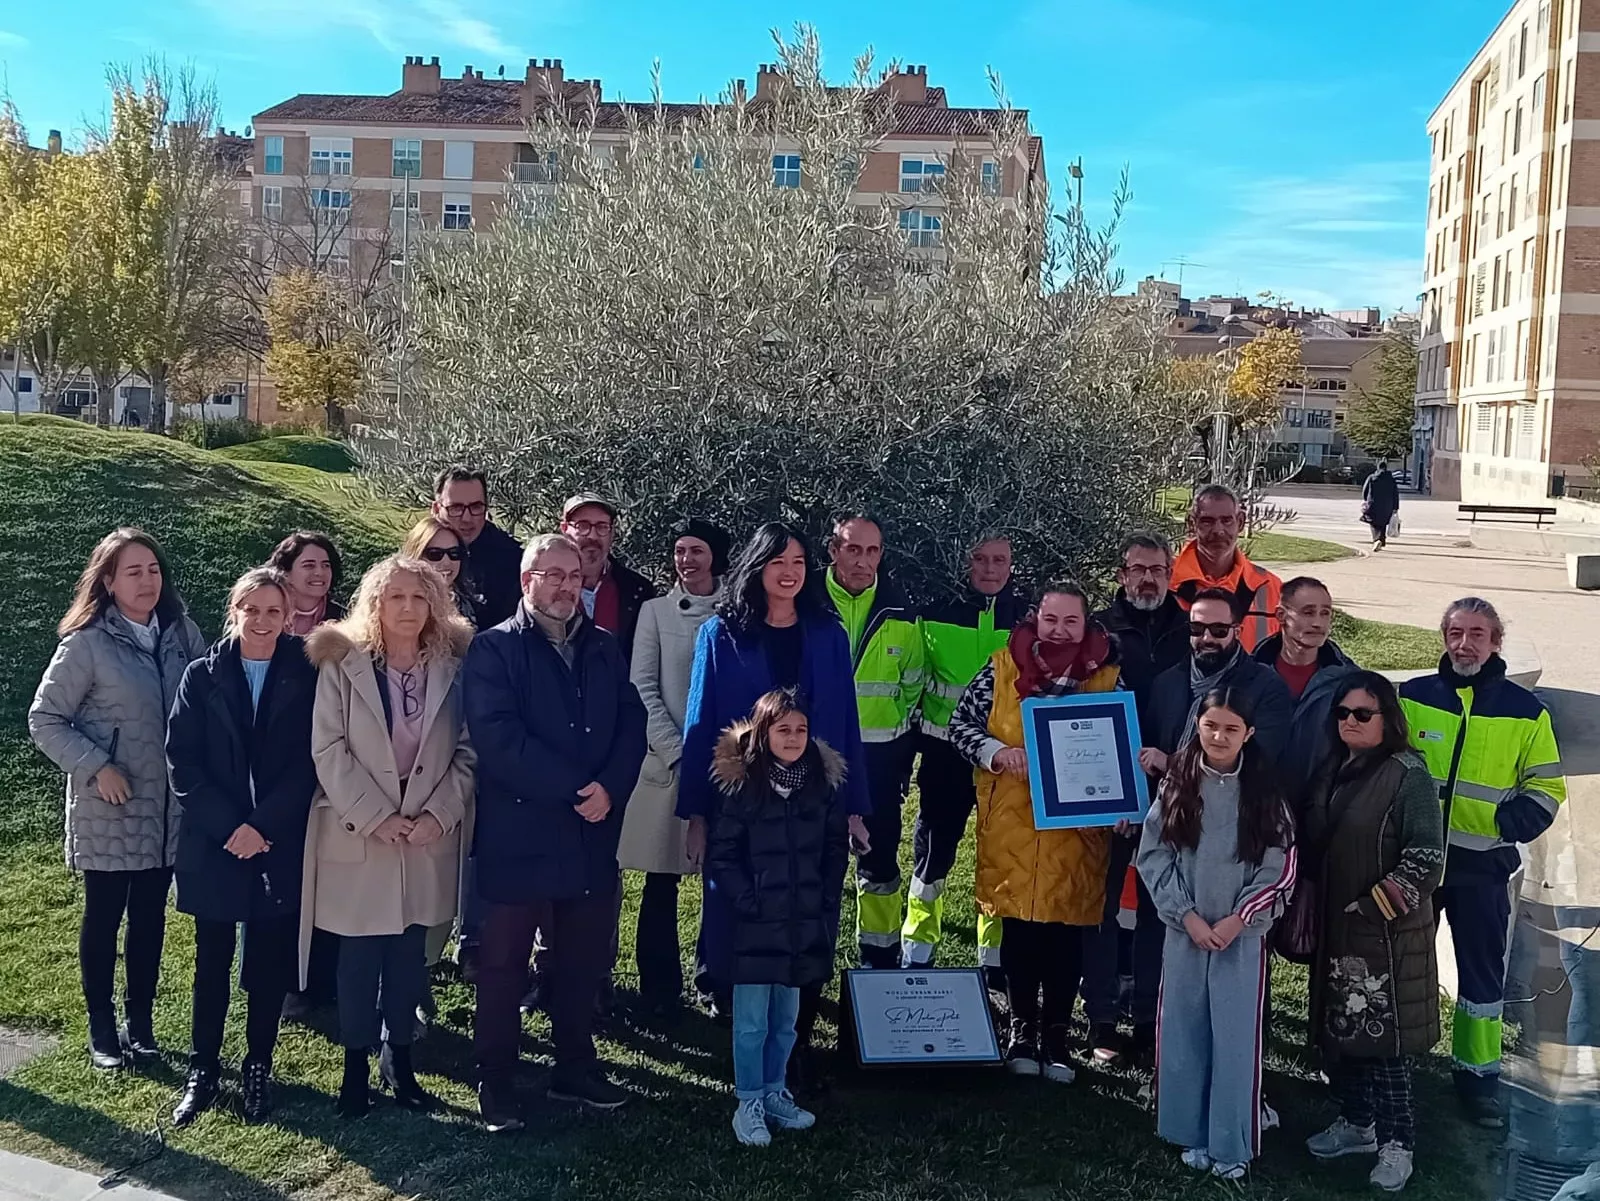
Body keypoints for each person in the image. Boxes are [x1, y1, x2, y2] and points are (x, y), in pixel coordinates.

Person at [464, 533, 647, 1131]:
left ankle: (573, 1069)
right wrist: (577, 789)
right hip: (518, 837)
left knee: (579, 962)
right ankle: (497, 1083)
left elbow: (631, 721)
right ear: (527, 581)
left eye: (576, 575)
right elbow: (500, 739)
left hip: (589, 835)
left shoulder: (602, 646)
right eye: (555, 575)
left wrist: (610, 789)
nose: (569, 585)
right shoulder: (493, 650)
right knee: (502, 968)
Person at [677, 523, 870, 1072]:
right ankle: (742, 1041)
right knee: (745, 911)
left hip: (815, 803)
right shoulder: (721, 633)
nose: (790, 571)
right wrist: (695, 813)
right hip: (743, 805)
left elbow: (847, 724)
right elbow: (699, 722)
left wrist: (854, 806)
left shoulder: (828, 633)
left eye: (800, 562)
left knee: (809, 908)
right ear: (757, 566)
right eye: (778, 561)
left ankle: (798, 1039)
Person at [302, 556, 476, 1119]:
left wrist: (438, 816)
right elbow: (328, 748)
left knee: (408, 957)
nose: (407, 608)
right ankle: (355, 1068)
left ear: (434, 606)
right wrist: (376, 815)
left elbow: (468, 752)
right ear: (375, 605)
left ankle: (399, 1061)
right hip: (361, 831)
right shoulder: (343, 662)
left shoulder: (453, 665)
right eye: (394, 597)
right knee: (358, 958)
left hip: (425, 835)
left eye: (418, 598)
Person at [28, 528, 206, 1069]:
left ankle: (142, 1024)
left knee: (151, 917)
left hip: (168, 808)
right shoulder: (85, 644)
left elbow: (209, 696)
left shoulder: (181, 633)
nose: (147, 580)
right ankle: (102, 1029)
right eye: (133, 571)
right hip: (111, 807)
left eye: (153, 569)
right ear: (107, 581)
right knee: (105, 918)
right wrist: (96, 766)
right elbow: (45, 719)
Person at [1399, 597, 1566, 1127]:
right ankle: (1397, 1061)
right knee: (1402, 966)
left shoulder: (1526, 711)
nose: (1464, 643)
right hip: (1415, 865)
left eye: (1477, 633)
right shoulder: (1413, 697)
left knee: (1481, 979)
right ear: (1443, 638)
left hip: (1481, 870)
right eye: (1455, 632)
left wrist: (1504, 826)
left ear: (1496, 642)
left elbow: (1546, 787)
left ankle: (1477, 1079)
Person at [948, 581, 1121, 1083]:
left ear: (1086, 625)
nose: (1060, 630)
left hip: (1077, 828)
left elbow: (1123, 744)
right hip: (1014, 823)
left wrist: (1120, 796)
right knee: (1020, 930)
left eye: (1072, 621)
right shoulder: (1004, 667)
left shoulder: (1108, 677)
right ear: (1035, 619)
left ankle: (1058, 1035)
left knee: (1066, 935)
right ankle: (1022, 1030)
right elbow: (961, 725)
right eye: (1051, 620)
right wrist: (996, 753)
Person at [166, 567, 317, 1127]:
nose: (262, 621)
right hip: (216, 843)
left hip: (275, 843)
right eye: (251, 610)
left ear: (288, 616)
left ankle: (258, 1065)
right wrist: (230, 828)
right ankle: (203, 1069)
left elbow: (310, 761)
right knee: (211, 961)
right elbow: (183, 761)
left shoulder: (305, 673)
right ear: (234, 611)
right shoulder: (202, 676)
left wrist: (263, 826)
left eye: (273, 612)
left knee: (267, 963)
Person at [1136, 689, 1297, 1182]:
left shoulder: (1265, 792)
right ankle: (1189, 1129)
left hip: (1239, 938)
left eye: (1231, 728)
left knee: (1233, 1036)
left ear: (1248, 733)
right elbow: (1153, 855)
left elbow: (1281, 867)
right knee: (1183, 1029)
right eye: (1211, 727)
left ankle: (1232, 1139)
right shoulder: (1178, 785)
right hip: (1186, 932)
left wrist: (1239, 919)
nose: (1219, 737)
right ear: (1198, 727)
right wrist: (1186, 916)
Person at [1303, 672, 1444, 1194]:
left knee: (1386, 1048)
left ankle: (1397, 1143)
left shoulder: (1409, 775)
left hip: (1385, 936)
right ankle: (1358, 1125)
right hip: (1339, 933)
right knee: (1343, 1037)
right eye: (1343, 713)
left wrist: (1374, 906)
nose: (1350, 723)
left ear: (1388, 719)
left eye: (1363, 714)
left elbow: (1427, 859)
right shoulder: (1332, 771)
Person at [708, 689, 848, 1147]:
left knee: (786, 1019)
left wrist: (825, 895)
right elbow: (723, 854)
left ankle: (774, 1090)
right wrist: (748, 901)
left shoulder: (821, 788)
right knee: (751, 1022)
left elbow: (834, 847)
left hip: (802, 921)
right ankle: (747, 1099)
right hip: (755, 925)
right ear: (764, 733)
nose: (792, 738)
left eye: (801, 730)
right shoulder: (745, 787)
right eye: (782, 729)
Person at [1085, 532, 1189, 1066]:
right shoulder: (1098, 630)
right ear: (1122, 575)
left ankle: (1150, 1020)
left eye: (1157, 569)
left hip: (1174, 790)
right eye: (1137, 569)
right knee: (1100, 909)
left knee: (1158, 909)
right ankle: (1102, 1017)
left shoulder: (1189, 628)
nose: (1147, 578)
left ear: (1171, 573)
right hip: (1108, 791)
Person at [619, 518, 730, 1016]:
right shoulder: (653, 612)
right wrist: (679, 750)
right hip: (670, 764)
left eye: (697, 551)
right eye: (680, 551)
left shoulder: (735, 610)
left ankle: (715, 979)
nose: (687, 560)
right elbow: (641, 687)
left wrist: (726, 756)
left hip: (728, 766)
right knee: (661, 880)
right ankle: (659, 987)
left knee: (721, 877)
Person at [903, 534, 1025, 976]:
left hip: (1005, 763)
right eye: (980, 559)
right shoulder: (936, 613)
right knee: (933, 851)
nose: (989, 569)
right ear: (964, 560)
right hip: (944, 755)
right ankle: (917, 944)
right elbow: (915, 686)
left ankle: (991, 956)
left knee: (997, 855)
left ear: (1012, 565)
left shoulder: (1025, 620)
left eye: (1000, 560)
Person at [823, 515, 924, 968]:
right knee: (817, 862)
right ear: (833, 550)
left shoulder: (902, 612)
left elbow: (914, 688)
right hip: (813, 756)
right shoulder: (807, 603)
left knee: (879, 862)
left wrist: (900, 761)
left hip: (880, 761)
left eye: (872, 551)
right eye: (852, 549)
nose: (863, 560)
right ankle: (812, 962)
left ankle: (878, 959)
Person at [1145, 589, 1294, 772]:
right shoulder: (1165, 683)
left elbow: (1259, 764)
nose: (1207, 638)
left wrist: (1172, 765)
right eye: (1197, 628)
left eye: (1219, 630)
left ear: (1237, 632)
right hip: (1170, 797)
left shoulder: (1267, 687)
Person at [1251, 576, 1359, 808]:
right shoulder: (1248, 677)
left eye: (1325, 613)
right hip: (1256, 813)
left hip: (1323, 816)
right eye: (1308, 612)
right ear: (1281, 616)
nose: (1319, 623)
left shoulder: (1350, 681)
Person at [1169, 484, 1283, 652]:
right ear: (1191, 524)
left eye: (1226, 520)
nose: (1218, 530)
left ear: (1241, 522)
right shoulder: (1166, 583)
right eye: (1207, 521)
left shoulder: (1270, 587)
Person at [560, 492, 660, 659]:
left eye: (602, 527)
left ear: (612, 532)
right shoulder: (543, 586)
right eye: (582, 526)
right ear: (564, 529)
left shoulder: (637, 591)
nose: (592, 536)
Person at [432, 465, 522, 629]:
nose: (467, 518)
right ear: (436, 509)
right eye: (456, 508)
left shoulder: (510, 559)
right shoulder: (419, 551)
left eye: (476, 507)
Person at [402, 515, 482, 629]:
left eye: (454, 553)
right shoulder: (400, 604)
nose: (446, 561)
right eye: (435, 554)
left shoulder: (468, 603)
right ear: (415, 556)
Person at [268, 531, 345, 635]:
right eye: (309, 565)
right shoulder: (264, 612)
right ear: (285, 573)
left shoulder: (346, 621)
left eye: (326, 565)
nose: (320, 572)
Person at [1362, 461, 1401, 552]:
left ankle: (1376, 540)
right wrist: (1396, 507)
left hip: (1373, 504)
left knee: (1373, 523)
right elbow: (1395, 494)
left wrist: (1366, 500)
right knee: (1383, 524)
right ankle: (1381, 540)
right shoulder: (1391, 479)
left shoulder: (1372, 477)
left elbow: (1365, 490)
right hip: (1387, 505)